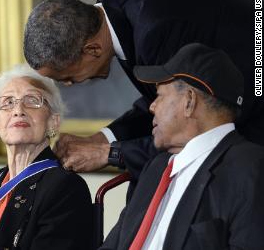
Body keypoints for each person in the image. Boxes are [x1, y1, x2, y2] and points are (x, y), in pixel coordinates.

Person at [23, 0, 260, 179]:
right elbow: (163, 104)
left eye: (65, 75)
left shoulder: (155, 32)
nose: (68, 84)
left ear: (92, 49)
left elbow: (193, 126)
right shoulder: (128, 10)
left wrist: (110, 153)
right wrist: (104, 138)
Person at [99, 43, 264, 250]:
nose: (151, 106)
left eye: (159, 95)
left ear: (189, 101)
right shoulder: (157, 167)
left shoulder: (251, 169)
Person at [0, 64, 93, 250]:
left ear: (53, 121)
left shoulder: (65, 189)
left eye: (32, 100)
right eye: (8, 102)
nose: (18, 110)